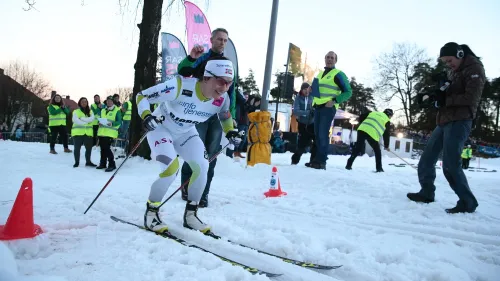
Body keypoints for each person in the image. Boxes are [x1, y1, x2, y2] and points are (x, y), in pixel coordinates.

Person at [136, 57, 243, 233]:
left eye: (229, 83)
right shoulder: (180, 86)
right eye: (221, 81)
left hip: (186, 132)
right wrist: (147, 116)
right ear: (207, 77)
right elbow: (142, 96)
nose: (224, 88)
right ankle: (151, 212)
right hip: (161, 129)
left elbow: (224, 116)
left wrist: (230, 131)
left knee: (202, 166)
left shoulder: (222, 99)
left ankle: (191, 215)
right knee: (171, 168)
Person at [407, 42, 485, 214]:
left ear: (459, 54)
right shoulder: (453, 71)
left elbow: (471, 98)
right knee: (426, 160)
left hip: (460, 120)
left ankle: (467, 202)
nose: (448, 64)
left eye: (450, 60)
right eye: (445, 62)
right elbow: (447, 92)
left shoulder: (474, 69)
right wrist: (433, 95)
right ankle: (427, 192)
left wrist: (445, 101)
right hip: (444, 120)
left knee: (450, 164)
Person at [177, 28, 232, 208]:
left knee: (212, 154)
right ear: (212, 40)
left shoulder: (228, 63)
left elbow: (231, 90)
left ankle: (203, 193)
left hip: (217, 114)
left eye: (225, 40)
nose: (222, 43)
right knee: (195, 152)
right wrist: (192, 58)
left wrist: (231, 113)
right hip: (199, 112)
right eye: (219, 39)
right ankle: (186, 187)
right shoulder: (203, 58)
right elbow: (183, 70)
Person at [309, 51, 352, 170]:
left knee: (323, 134)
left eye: (332, 58)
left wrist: (334, 101)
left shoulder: (338, 74)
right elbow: (316, 90)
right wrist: (310, 91)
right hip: (317, 107)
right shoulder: (319, 74)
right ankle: (316, 160)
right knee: (317, 135)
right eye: (327, 57)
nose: (329, 59)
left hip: (328, 107)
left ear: (335, 60)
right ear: (324, 59)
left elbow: (348, 92)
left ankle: (321, 162)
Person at [291, 83, 316, 165]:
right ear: (301, 90)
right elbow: (295, 111)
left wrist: (314, 112)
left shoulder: (312, 97)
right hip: (303, 124)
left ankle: (313, 161)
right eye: (304, 89)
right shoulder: (298, 98)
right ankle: (295, 160)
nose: (306, 91)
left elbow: (316, 108)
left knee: (317, 142)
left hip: (312, 124)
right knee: (302, 144)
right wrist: (307, 113)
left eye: (307, 89)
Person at [96, 96, 122, 172]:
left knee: (107, 149)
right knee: (102, 149)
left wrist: (112, 123)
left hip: (110, 133)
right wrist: (99, 122)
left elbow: (119, 122)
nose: (109, 102)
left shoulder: (117, 110)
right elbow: (100, 119)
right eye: (107, 101)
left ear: (113, 102)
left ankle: (112, 164)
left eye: (110, 101)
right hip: (101, 132)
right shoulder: (103, 110)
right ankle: (103, 163)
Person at [71, 97, 96, 167]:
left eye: (85, 101)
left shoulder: (91, 111)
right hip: (78, 133)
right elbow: (76, 121)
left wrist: (82, 119)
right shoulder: (76, 111)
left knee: (88, 149)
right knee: (77, 148)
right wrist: (86, 121)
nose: (84, 103)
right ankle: (76, 162)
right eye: (82, 101)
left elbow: (91, 119)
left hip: (88, 133)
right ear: (79, 103)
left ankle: (88, 161)